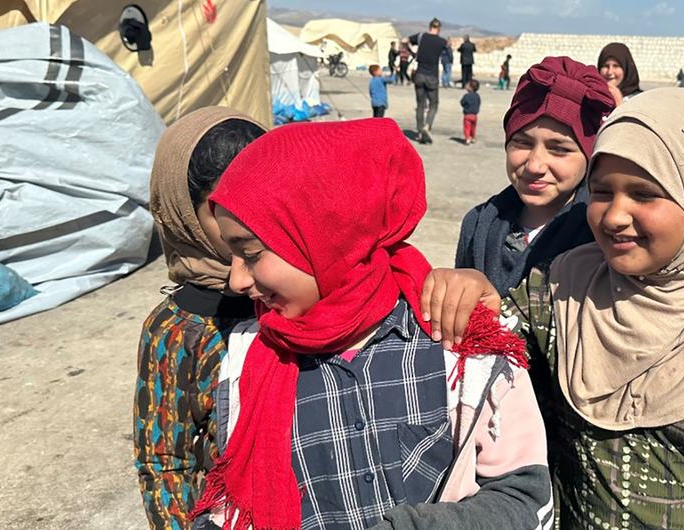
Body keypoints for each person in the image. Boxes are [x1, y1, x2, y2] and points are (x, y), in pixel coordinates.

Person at [424, 88, 684, 529]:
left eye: (644, 194)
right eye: (602, 191)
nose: (613, 216)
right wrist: (472, 294)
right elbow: (491, 346)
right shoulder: (564, 285)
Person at [191, 118, 553, 530]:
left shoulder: (455, 340)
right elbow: (229, 509)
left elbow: (525, 499)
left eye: (251, 254)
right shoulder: (250, 362)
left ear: (322, 233)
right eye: (230, 256)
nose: (236, 280)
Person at [134, 107, 265, 530]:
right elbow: (164, 462)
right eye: (222, 209)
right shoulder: (175, 332)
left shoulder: (302, 289)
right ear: (184, 213)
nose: (247, 224)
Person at [455, 56, 615, 295]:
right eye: (522, 142)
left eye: (559, 149)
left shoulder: (603, 237)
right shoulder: (477, 225)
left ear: (590, 157)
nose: (535, 165)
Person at [409, 18, 448, 144]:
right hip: (432, 76)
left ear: (429, 26)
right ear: (439, 28)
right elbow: (447, 52)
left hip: (419, 75)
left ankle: (420, 131)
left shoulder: (421, 36)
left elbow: (404, 40)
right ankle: (427, 126)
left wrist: (412, 52)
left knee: (420, 104)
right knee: (433, 104)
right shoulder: (442, 41)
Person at [460, 79, 481, 145]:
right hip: (474, 115)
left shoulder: (466, 96)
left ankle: (467, 138)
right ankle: (473, 137)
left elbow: (462, 102)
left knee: (467, 128)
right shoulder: (477, 96)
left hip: (467, 115)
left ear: (470, 87)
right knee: (473, 128)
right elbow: (479, 103)